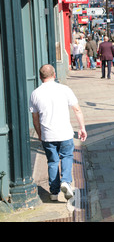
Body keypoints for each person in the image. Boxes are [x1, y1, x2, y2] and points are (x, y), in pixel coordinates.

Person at [29, 64, 87, 201]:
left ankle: (54, 192)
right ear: (54, 75)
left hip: (48, 135)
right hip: (65, 133)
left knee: (52, 162)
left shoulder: (35, 93)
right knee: (66, 157)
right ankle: (66, 181)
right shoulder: (64, 89)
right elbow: (77, 110)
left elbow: (35, 119)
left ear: (40, 77)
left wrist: (39, 134)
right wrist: (82, 127)